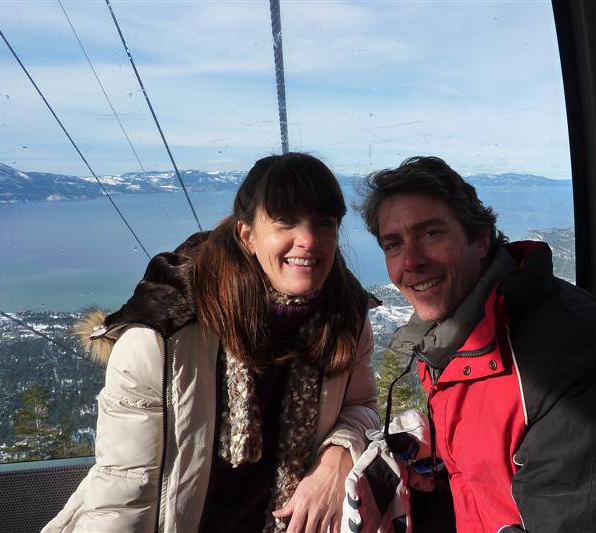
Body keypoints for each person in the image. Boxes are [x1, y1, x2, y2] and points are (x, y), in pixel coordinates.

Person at [358, 156, 596, 532]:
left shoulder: (582, 369)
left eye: (430, 233)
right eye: (393, 244)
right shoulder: (455, 338)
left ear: (480, 239)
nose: (410, 261)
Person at [44, 153, 379, 533]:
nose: (308, 240)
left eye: (324, 224)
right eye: (285, 221)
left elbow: (361, 406)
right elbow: (125, 492)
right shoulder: (164, 332)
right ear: (248, 236)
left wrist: (338, 456)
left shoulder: (345, 316)